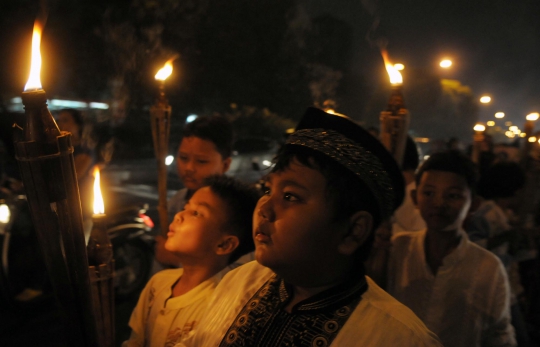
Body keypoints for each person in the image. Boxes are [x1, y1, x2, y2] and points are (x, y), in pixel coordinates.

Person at [178, 108, 442, 346]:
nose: (264, 209)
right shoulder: (240, 281)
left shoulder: (398, 338)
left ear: (353, 231)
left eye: (290, 196)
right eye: (267, 189)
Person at [386, 150, 516, 347]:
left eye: (453, 195)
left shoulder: (488, 269)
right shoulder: (396, 250)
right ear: (414, 197)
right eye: (429, 193)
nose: (439, 203)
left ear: (474, 204)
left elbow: (500, 336)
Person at [123, 175, 260, 347]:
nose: (179, 216)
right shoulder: (158, 283)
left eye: (196, 213)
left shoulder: (220, 306)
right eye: (185, 207)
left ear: (224, 244)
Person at [155, 115, 234, 268]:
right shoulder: (176, 201)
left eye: (201, 161)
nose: (189, 168)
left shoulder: (230, 211)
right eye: (183, 158)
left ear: (225, 165)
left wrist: (177, 261)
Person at [57, 109, 95, 236]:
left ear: (77, 125)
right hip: (61, 208)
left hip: (79, 208)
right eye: (59, 121)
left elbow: (73, 176)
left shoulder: (84, 150)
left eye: (66, 120)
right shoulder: (56, 149)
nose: (60, 125)